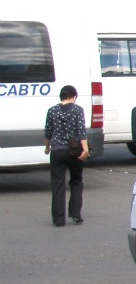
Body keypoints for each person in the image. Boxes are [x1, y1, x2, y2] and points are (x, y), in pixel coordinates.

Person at [43, 85, 90, 227]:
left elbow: (48, 131)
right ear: (73, 97)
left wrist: (47, 147)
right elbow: (81, 130)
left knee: (57, 184)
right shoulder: (77, 110)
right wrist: (85, 149)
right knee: (76, 181)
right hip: (74, 151)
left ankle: (59, 219)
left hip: (57, 151)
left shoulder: (52, 111)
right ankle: (75, 214)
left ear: (61, 97)